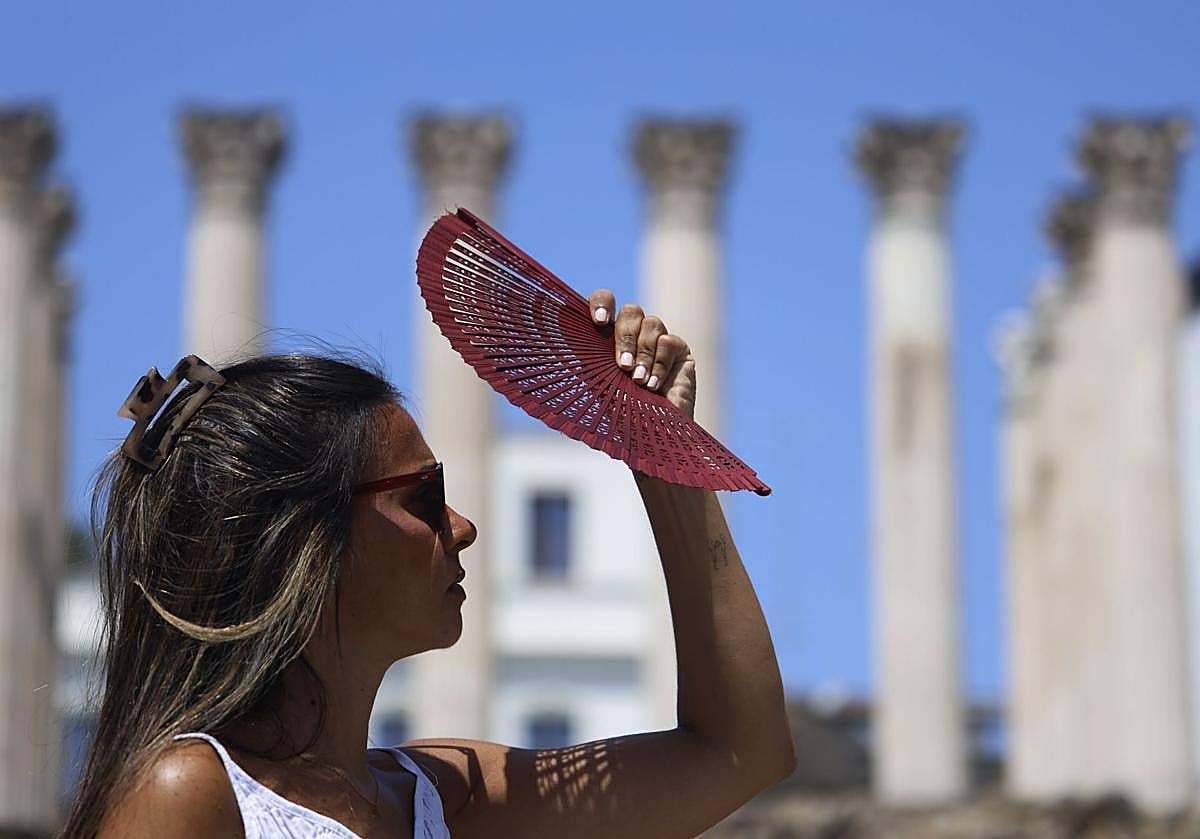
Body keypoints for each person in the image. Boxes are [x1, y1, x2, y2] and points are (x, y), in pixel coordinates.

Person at [63, 290, 795, 839]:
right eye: (424, 495)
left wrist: (663, 454)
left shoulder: (439, 796)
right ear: (302, 539)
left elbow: (740, 752)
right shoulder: (188, 794)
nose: (464, 526)